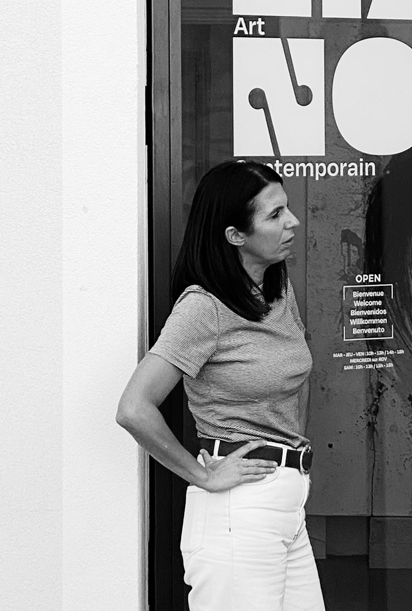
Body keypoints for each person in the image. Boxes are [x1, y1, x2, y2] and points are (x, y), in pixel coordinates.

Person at [117, 159, 325, 611]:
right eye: (274, 215)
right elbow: (134, 408)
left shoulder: (276, 288)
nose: (292, 222)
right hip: (239, 513)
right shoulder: (203, 308)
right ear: (235, 236)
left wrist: (290, 456)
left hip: (287, 505)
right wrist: (202, 474)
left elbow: (298, 377)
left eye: (286, 208)